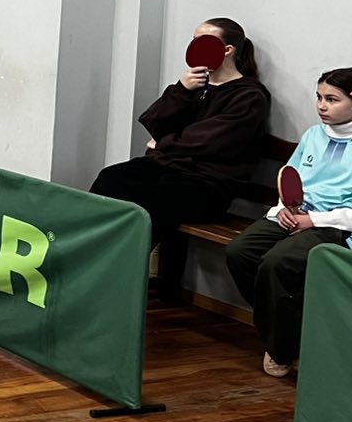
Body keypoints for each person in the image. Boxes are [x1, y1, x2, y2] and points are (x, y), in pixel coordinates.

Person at [224, 68, 352, 378]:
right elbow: (290, 180)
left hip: (341, 229)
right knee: (239, 252)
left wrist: (314, 220)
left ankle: (282, 349)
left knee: (277, 263)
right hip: (297, 217)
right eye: (319, 97)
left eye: (332, 99)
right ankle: (290, 329)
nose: (321, 105)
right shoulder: (313, 135)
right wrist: (284, 208)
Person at [90, 18, 269, 299]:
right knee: (112, 178)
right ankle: (91, 258)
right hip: (167, 167)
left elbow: (212, 142)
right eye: (194, 39)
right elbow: (154, 121)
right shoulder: (194, 85)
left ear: (228, 50)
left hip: (209, 184)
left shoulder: (250, 96)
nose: (196, 45)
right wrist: (182, 90)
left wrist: (164, 143)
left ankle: (116, 282)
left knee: (157, 199)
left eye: (205, 40)